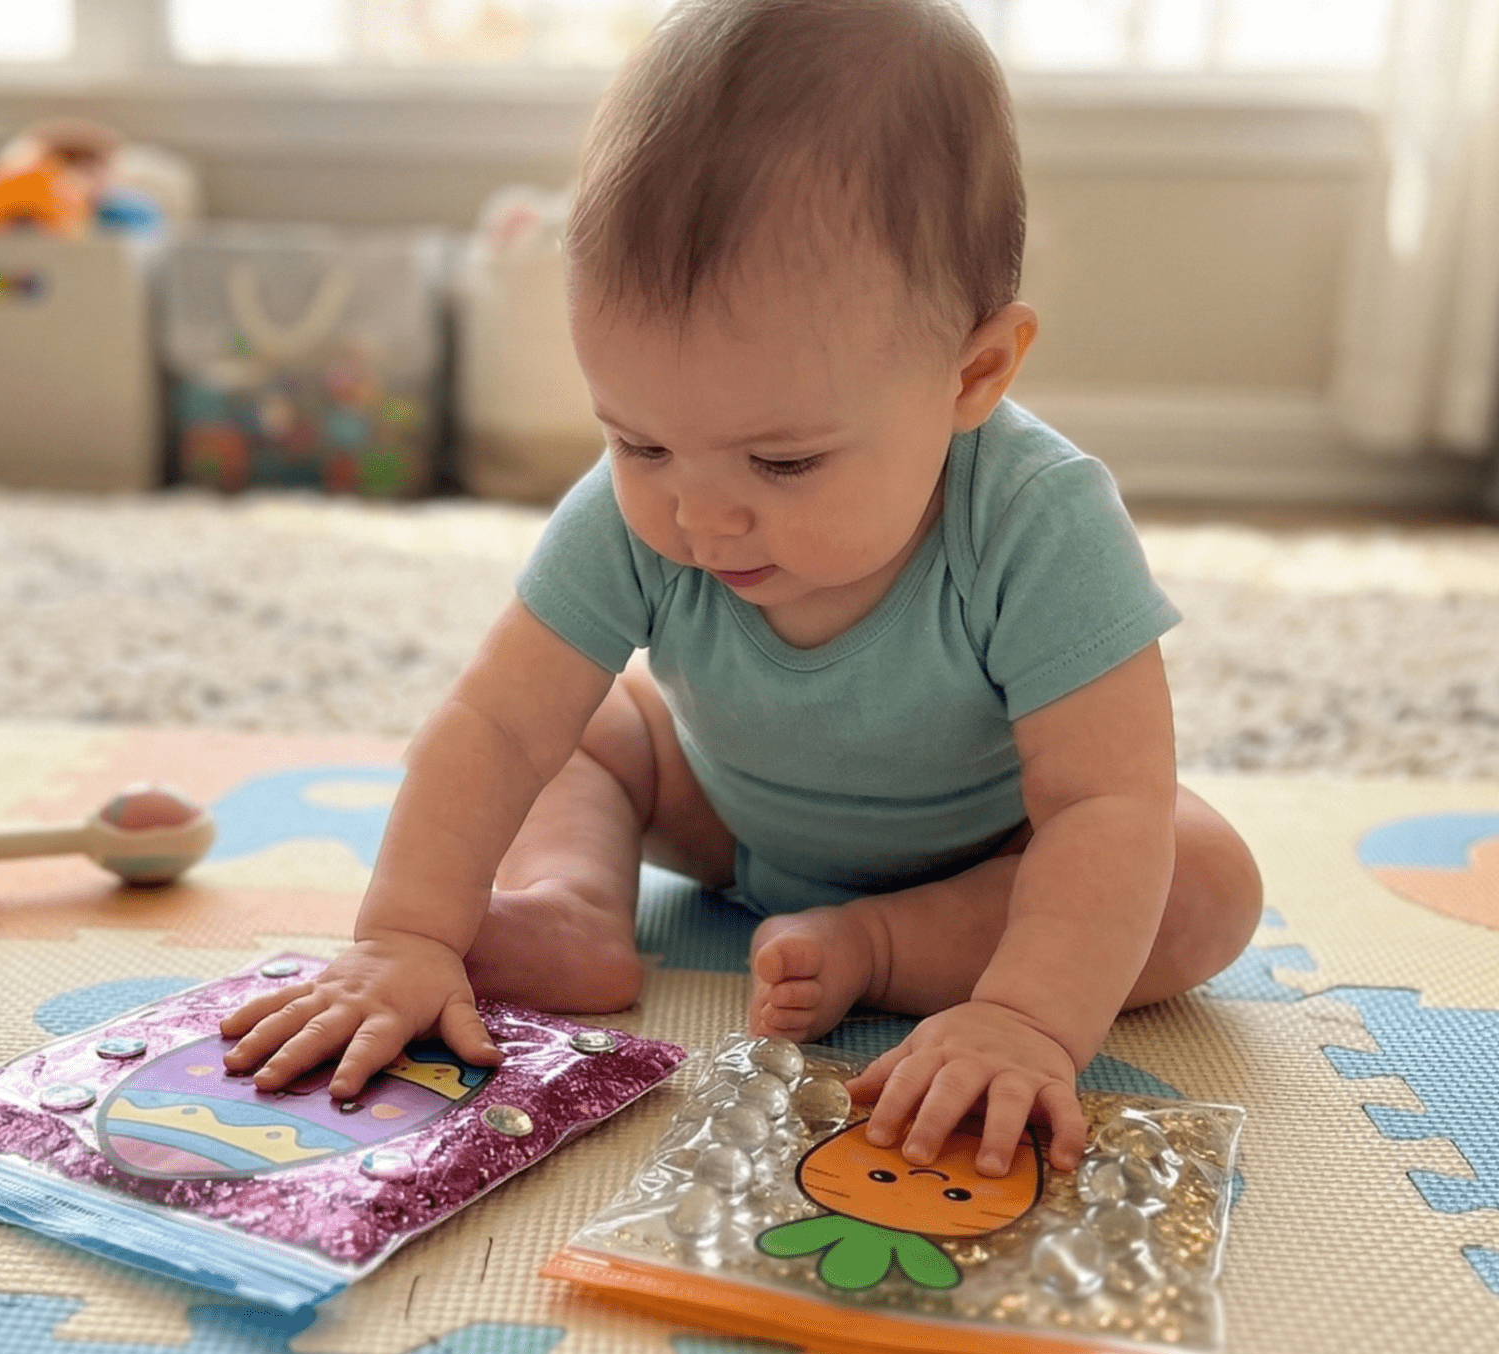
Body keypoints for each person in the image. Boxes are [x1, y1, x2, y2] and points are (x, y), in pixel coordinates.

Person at [221, 0, 1262, 1179]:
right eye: (639, 441)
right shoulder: (635, 515)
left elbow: (1099, 804)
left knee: (1200, 881)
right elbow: (496, 726)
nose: (695, 515)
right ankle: (569, 907)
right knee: (583, 733)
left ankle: (888, 950)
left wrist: (1028, 1018)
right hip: (722, 810)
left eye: (782, 462)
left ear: (972, 373)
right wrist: (405, 935)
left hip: (989, 853)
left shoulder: (1038, 519)